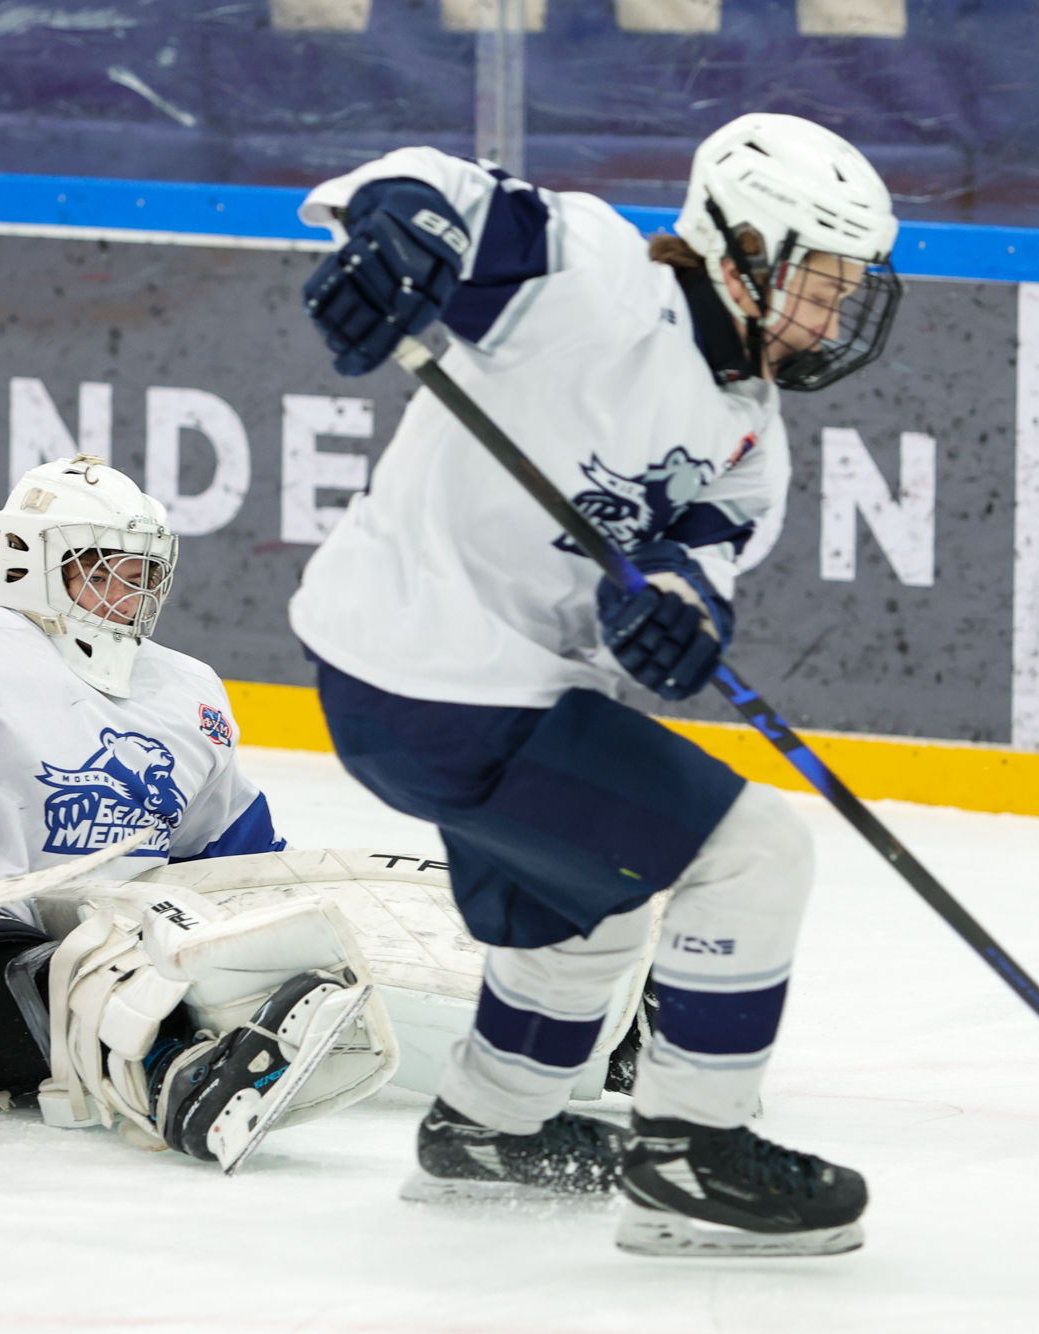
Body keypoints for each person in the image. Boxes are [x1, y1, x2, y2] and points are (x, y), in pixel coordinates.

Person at [291, 113, 900, 1254]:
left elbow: (693, 575)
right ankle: (691, 1155)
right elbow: (428, 181)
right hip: (436, 676)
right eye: (819, 285)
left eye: (845, 293)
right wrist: (398, 237)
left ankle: (489, 1129)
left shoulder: (750, 441)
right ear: (742, 249)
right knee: (756, 855)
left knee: (588, 905)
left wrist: (671, 620)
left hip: (462, 694)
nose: (830, 320)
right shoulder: (595, 279)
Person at [0, 455, 399, 1166]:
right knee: (55, 970)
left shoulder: (186, 689)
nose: (132, 591)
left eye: (144, 571)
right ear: (25, 560)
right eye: (105, 568)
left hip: (133, 939)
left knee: (226, 952)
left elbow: (237, 857)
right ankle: (174, 1072)